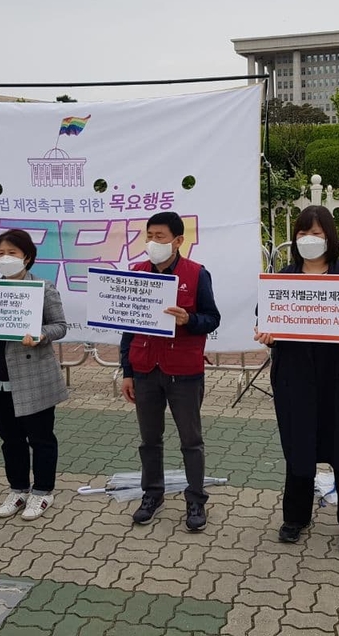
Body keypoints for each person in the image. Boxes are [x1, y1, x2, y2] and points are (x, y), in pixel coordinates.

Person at [255, 205, 339, 552]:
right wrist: (265, 331)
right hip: (295, 377)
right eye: (302, 233)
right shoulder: (283, 278)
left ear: (329, 237)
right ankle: (295, 517)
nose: (308, 240)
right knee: (299, 447)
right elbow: (265, 315)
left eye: (316, 233)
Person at [119, 211, 221, 531]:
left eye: (159, 237)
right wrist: (127, 371)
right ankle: (152, 494)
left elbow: (212, 318)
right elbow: (128, 327)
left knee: (191, 440)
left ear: (178, 241)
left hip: (184, 371)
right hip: (146, 368)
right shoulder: (137, 273)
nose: (152, 243)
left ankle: (195, 499)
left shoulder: (196, 274)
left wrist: (188, 320)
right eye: (149, 236)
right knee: (150, 439)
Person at [0, 229, 68, 521]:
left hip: (34, 379)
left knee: (41, 438)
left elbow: (60, 326)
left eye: (12, 253)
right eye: (1, 254)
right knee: (10, 440)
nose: (6, 259)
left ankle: (44, 491)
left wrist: (40, 335)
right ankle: (19, 489)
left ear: (28, 257)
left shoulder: (43, 288)